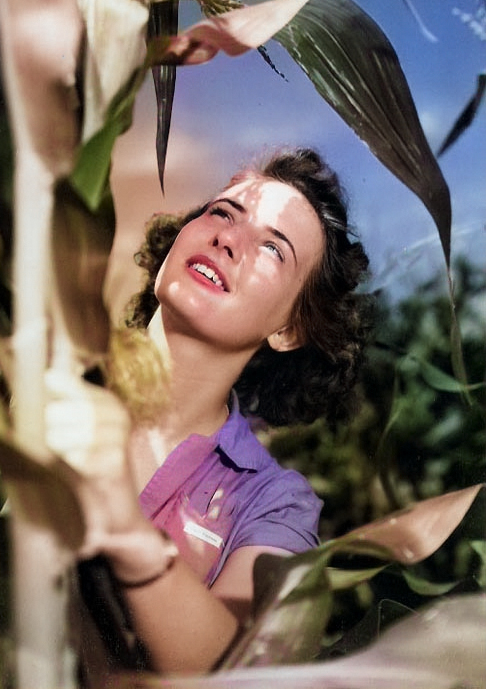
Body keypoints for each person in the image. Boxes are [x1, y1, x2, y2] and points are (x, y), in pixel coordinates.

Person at [78, 147, 372, 675]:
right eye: (222, 212)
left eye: (273, 249)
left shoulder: (275, 504)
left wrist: (126, 532)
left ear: (290, 329)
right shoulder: (44, 353)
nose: (228, 239)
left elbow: (241, 667)